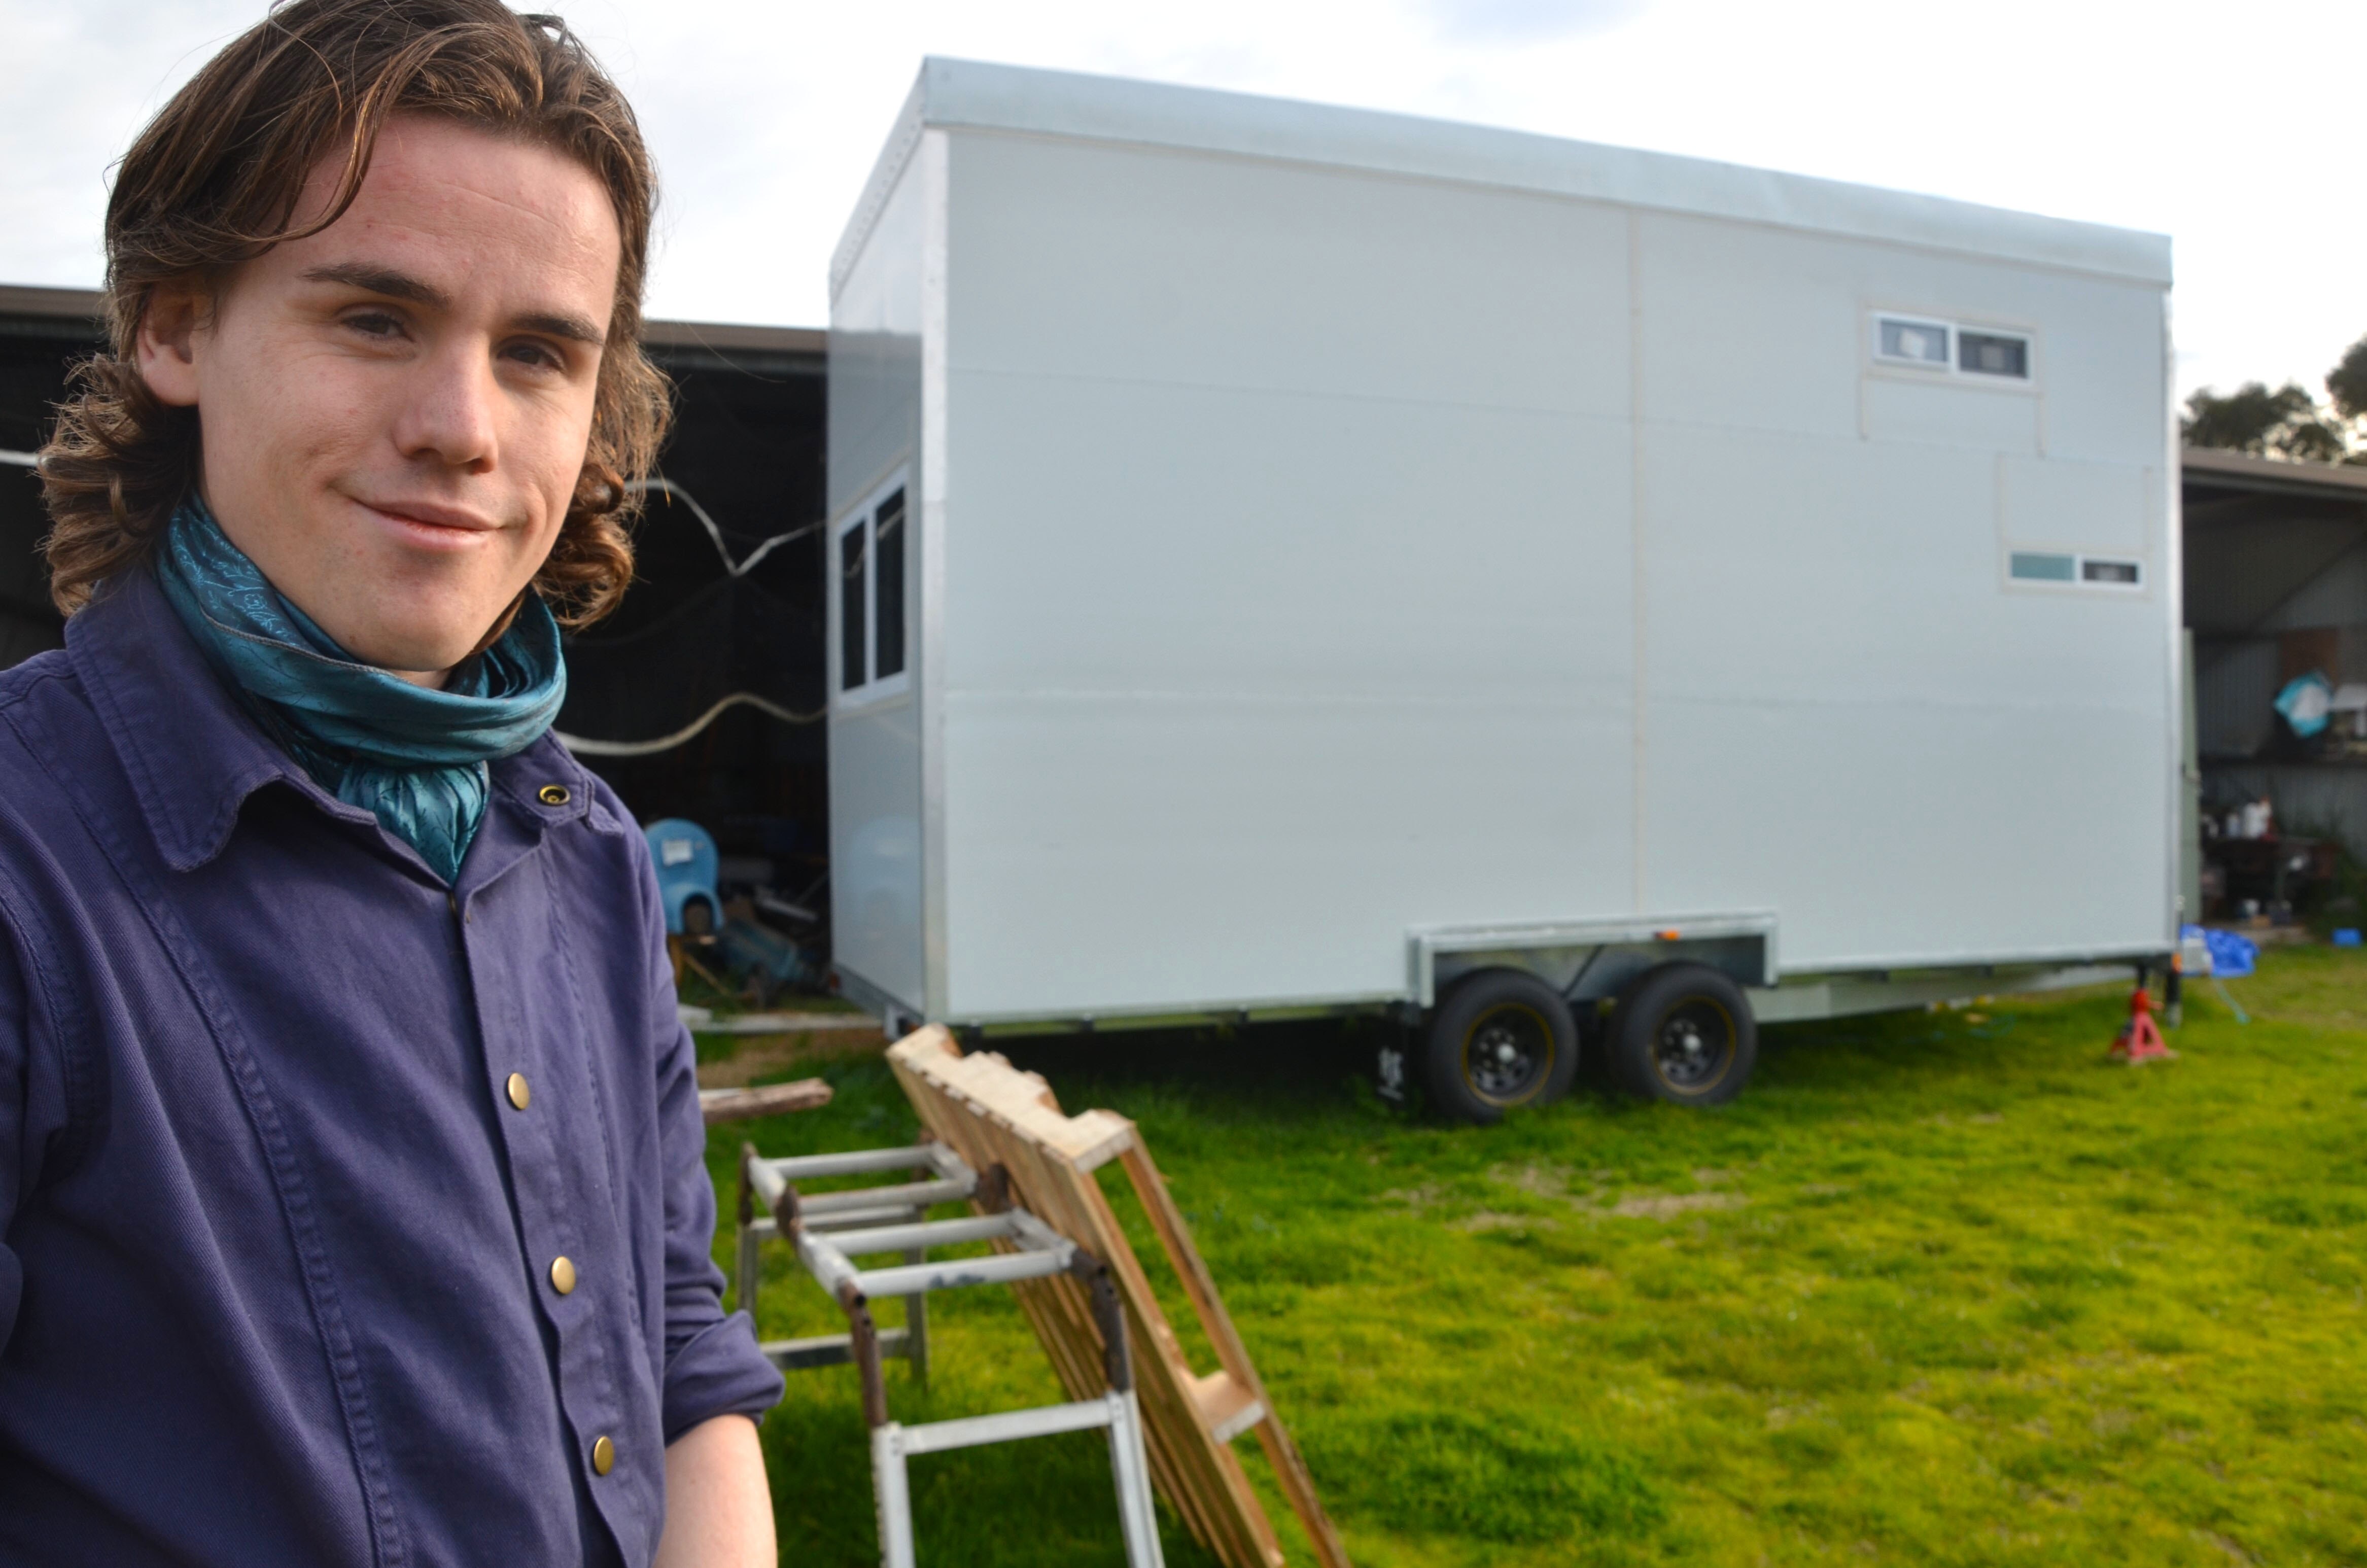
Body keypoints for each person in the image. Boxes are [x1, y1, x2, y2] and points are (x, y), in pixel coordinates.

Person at [0, 3, 783, 1562]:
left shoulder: (589, 851)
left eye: (538, 353)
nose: (462, 431)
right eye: (374, 318)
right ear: (175, 328)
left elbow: (681, 1344)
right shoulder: (31, 865)